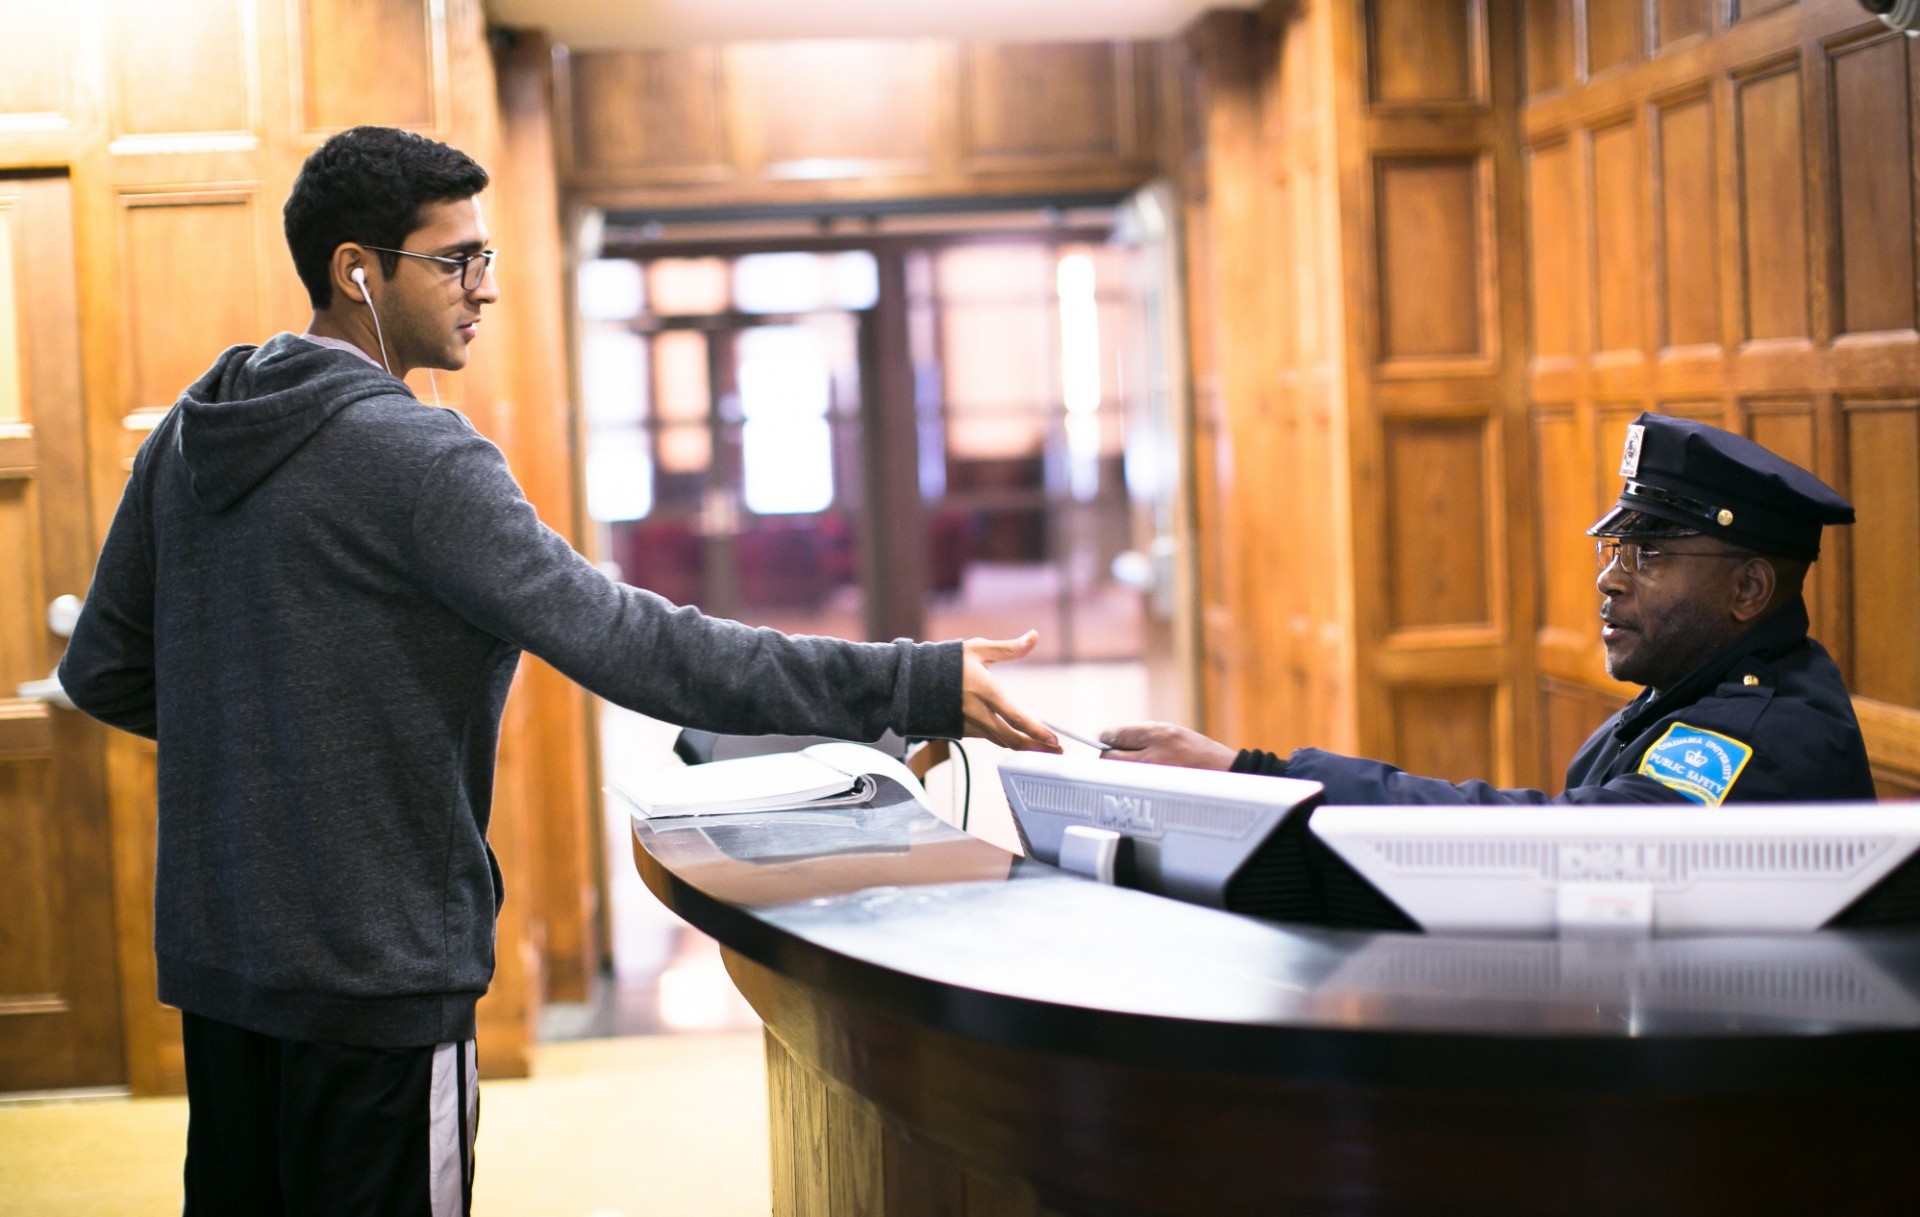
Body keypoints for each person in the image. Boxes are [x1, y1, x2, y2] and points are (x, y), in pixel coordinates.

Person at [57, 126, 1060, 1217]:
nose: (483, 289)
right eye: (454, 260)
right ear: (359, 271)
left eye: (485, 258)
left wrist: (270, 727)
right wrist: (913, 678)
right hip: (377, 972)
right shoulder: (424, 460)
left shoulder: (190, 436)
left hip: (227, 962)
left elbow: (106, 669)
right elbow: (640, 645)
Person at [1104, 412, 1876, 804]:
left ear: (1749, 590)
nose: (1610, 581)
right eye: (1612, 552)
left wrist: (1260, 772)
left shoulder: (1754, 734)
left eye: (1650, 557)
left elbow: (1546, 848)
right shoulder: (1683, 696)